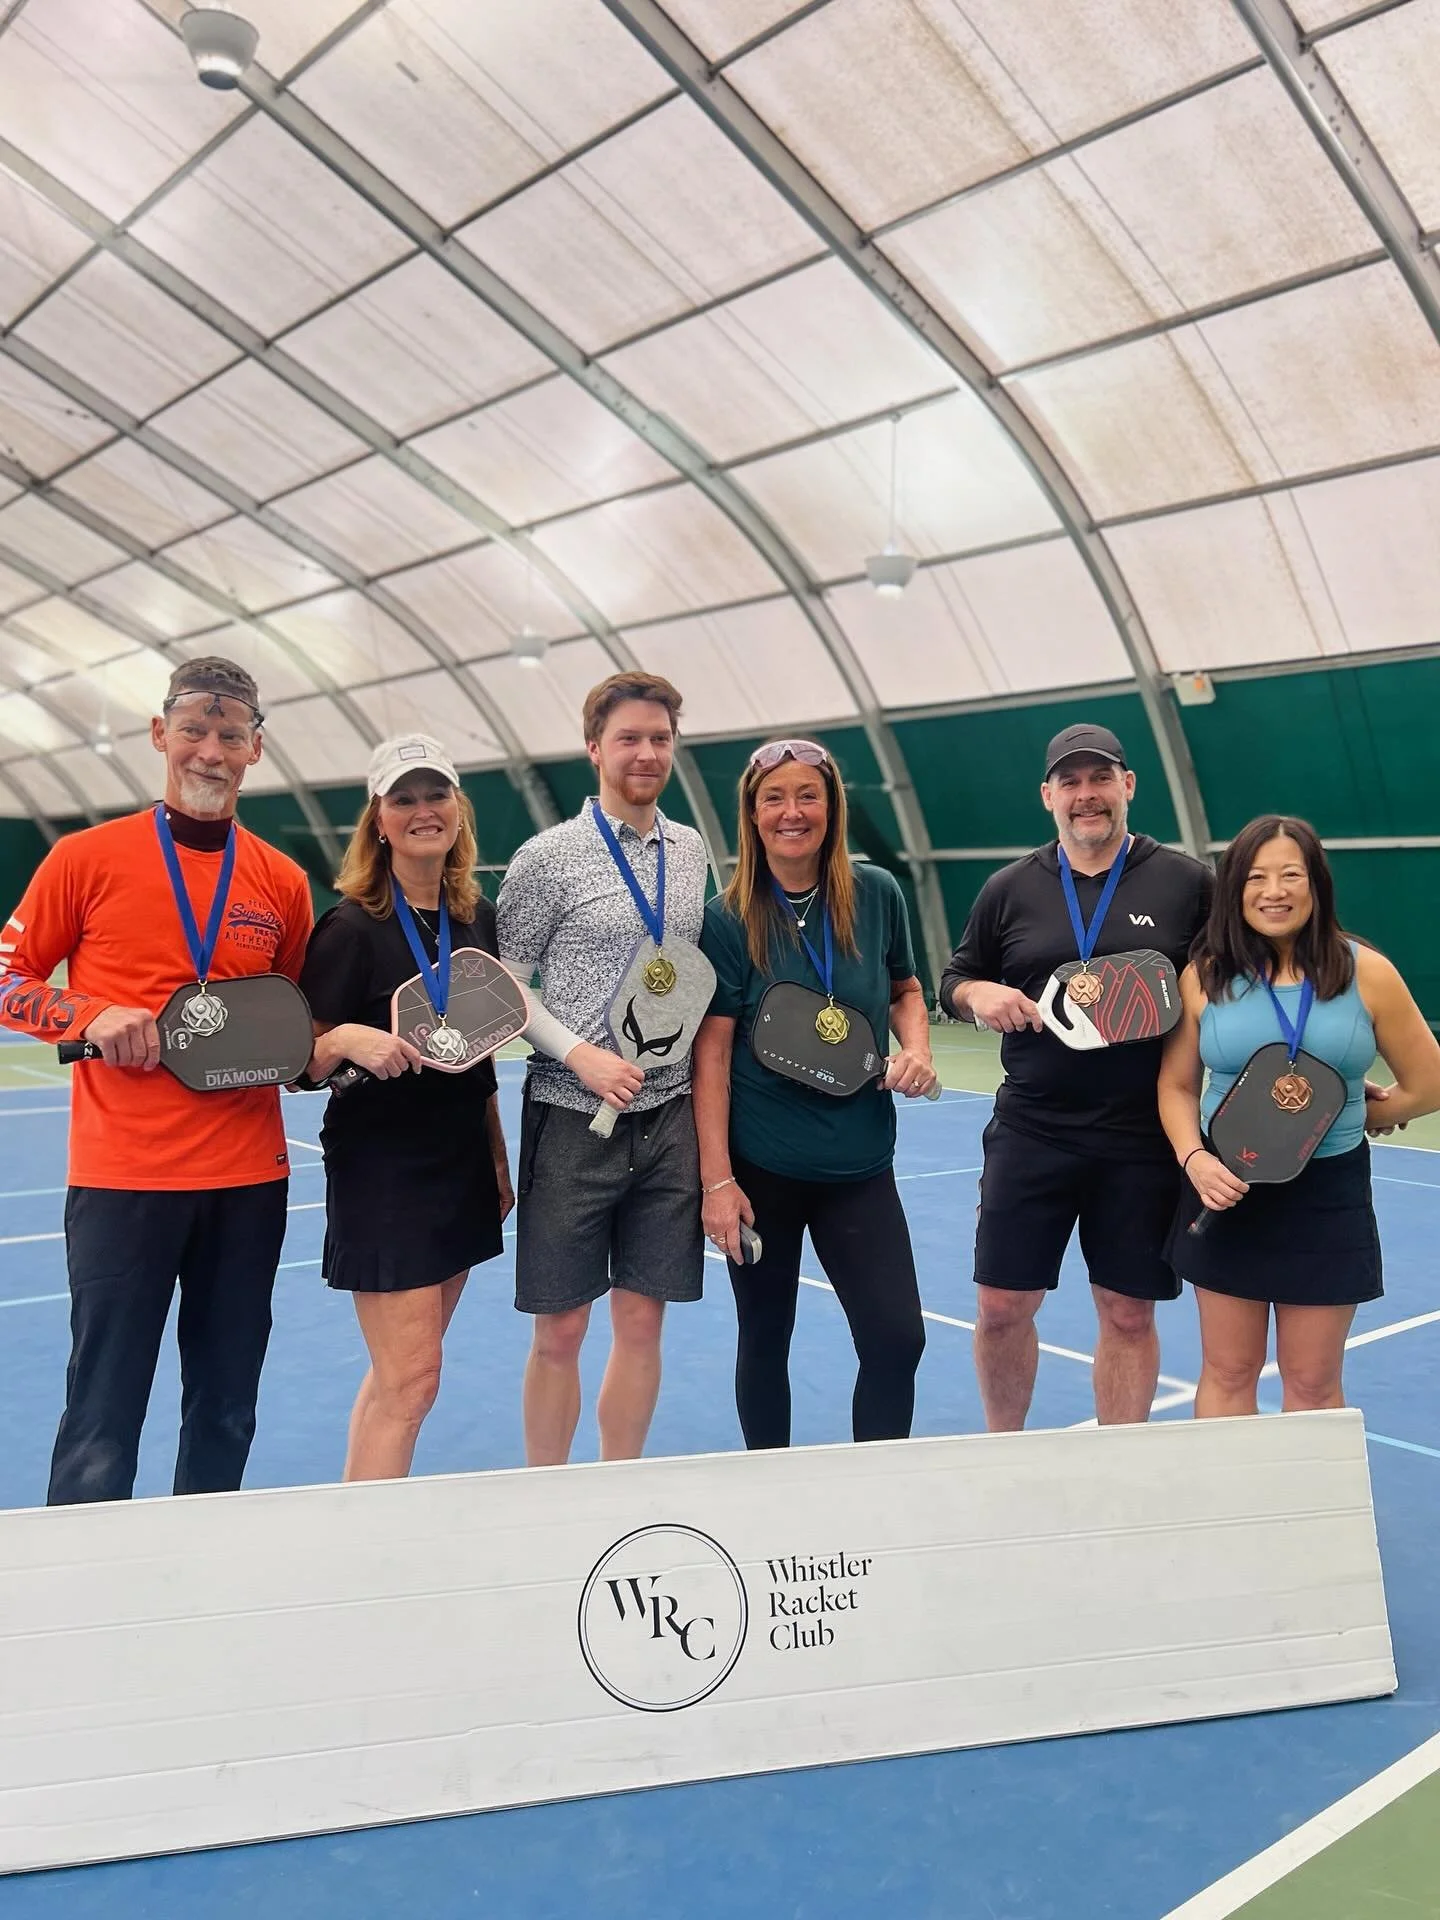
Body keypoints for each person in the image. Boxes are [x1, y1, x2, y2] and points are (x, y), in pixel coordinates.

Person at [0, 657, 313, 1504]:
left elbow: (290, 1020)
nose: (210, 751)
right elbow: (6, 975)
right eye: (194, 731)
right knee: (102, 1415)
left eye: (230, 735)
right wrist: (86, 1015)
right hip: (122, 1182)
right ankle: (87, 1598)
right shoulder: (84, 858)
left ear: (256, 749)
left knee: (226, 1412)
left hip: (248, 1186)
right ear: (158, 735)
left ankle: (200, 1584)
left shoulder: (281, 882)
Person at [939, 723, 1213, 1431]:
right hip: (1033, 1128)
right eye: (1070, 782)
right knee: (1001, 1307)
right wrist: (978, 997)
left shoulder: (1187, 884)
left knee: (1127, 1310)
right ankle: (1006, 1449)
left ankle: (1118, 1466)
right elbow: (954, 979)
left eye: (1100, 779)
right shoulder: (1009, 889)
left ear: (1128, 786)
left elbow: (1246, 980)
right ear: (1048, 796)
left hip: (1141, 1135)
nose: (1085, 795)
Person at [693, 739, 935, 1449]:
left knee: (897, 1340)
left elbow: (906, 989)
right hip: (762, 1171)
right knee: (766, 1339)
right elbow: (711, 1058)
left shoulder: (878, 894)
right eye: (775, 798)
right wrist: (717, 1182)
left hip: (859, 1167)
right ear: (752, 813)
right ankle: (771, 1493)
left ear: (831, 809)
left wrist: (915, 1047)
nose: (791, 812)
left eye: (808, 796)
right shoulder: (728, 917)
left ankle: (874, 1485)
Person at [1158, 816, 1440, 1416]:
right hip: (1225, 1189)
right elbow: (1177, 1085)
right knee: (1228, 1371)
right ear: (1235, 889)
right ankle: (1237, 1509)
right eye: (1256, 877)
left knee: (1312, 1382)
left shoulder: (1368, 973)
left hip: (1327, 1197)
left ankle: (1307, 1511)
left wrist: (1362, 1111)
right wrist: (1194, 1160)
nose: (1274, 891)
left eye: (1292, 875)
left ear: (1316, 886)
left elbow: (1430, 1082)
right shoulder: (1205, 975)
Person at [496, 672, 708, 1467]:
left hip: (670, 1117)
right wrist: (578, 1054)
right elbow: (504, 981)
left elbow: (684, 965)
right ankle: (548, 1495)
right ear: (594, 748)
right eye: (629, 738)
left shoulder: (688, 851)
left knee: (643, 1322)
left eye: (660, 739)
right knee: (562, 1328)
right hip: (568, 1115)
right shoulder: (547, 858)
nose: (646, 753)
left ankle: (619, 1486)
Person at [298, 736, 515, 1482]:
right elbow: (300, 1059)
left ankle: (358, 1518)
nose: (423, 811)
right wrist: (350, 1036)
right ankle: (371, 1559)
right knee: (413, 1381)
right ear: (378, 822)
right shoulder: (350, 928)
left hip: (458, 1166)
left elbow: (479, 1051)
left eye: (436, 795)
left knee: (400, 1379)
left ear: (457, 810)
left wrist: (495, 1158)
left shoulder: (473, 916)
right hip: (384, 1175)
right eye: (404, 799)